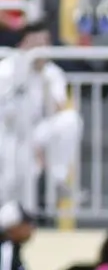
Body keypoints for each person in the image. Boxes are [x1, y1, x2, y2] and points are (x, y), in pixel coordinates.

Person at [0, 19, 83, 214]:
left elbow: (60, 109)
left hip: (36, 133)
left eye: (45, 44)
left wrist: (44, 81)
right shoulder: (6, 69)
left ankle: (57, 180)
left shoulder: (52, 73)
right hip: (8, 132)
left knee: (70, 120)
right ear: (23, 44)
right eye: (36, 44)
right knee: (15, 164)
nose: (41, 49)